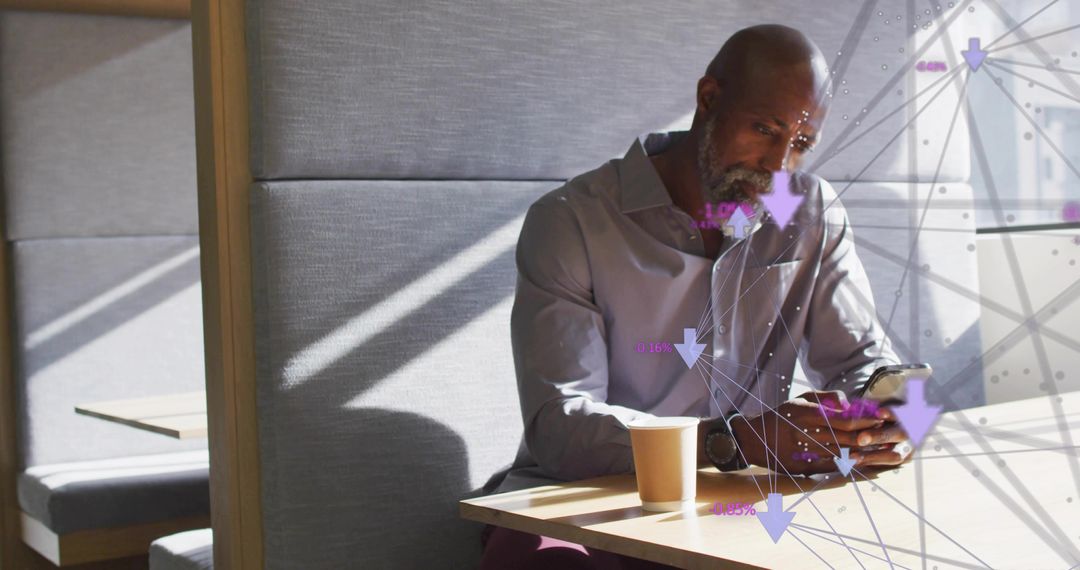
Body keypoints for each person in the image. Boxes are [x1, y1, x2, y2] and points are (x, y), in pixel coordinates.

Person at [479, 24, 910, 569]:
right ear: (708, 99)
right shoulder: (572, 221)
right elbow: (561, 426)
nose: (778, 166)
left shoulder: (809, 212)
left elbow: (863, 363)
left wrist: (887, 420)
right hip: (594, 500)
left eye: (799, 144)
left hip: (744, 504)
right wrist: (733, 443)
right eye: (764, 129)